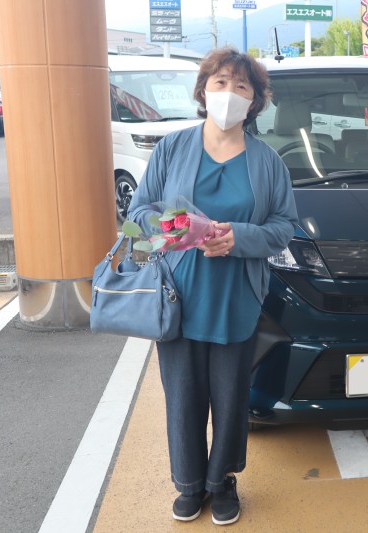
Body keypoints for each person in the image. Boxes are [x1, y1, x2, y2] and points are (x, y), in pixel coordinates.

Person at [126, 46, 298, 526]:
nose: (229, 93)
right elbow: (137, 217)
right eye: (221, 82)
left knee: (230, 398)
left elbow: (284, 226)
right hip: (176, 297)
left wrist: (237, 238)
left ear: (255, 100)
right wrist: (182, 228)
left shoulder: (268, 162)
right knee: (182, 396)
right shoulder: (172, 148)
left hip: (235, 298)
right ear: (203, 90)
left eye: (242, 86)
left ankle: (221, 481)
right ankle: (188, 483)